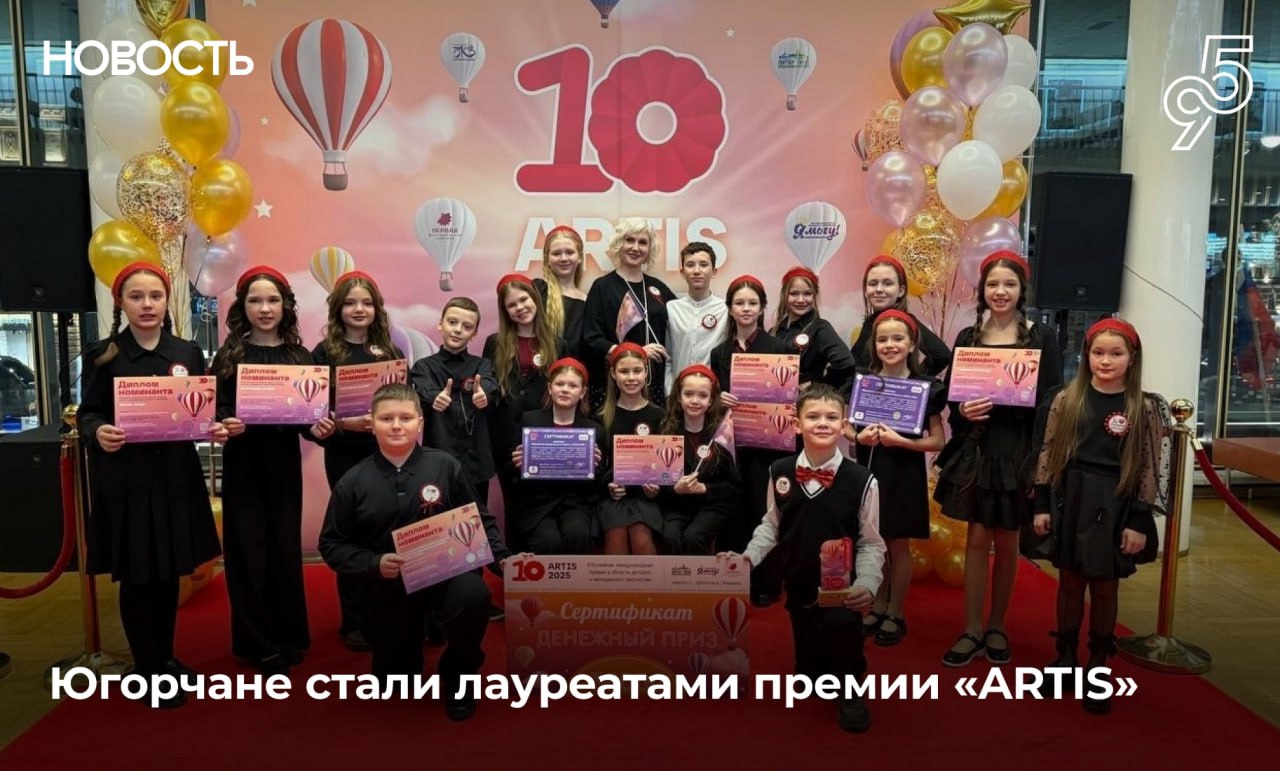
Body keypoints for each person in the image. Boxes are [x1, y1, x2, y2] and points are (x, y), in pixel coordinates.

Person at [77, 262, 227, 709]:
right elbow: (88, 413)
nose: (147, 304)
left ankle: (164, 657)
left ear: (167, 302)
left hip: (175, 478)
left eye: (155, 296)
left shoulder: (187, 352)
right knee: (139, 576)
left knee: (168, 574)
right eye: (137, 296)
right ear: (120, 303)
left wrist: (215, 426)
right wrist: (98, 431)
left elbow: (202, 411)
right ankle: (146, 670)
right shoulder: (104, 354)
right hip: (128, 482)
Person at [318, 383, 514, 721]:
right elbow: (331, 543)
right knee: (397, 680)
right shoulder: (353, 481)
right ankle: (402, 650)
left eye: (406, 418)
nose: (396, 426)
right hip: (388, 585)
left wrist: (502, 558)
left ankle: (458, 673)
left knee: (473, 594)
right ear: (372, 424)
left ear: (420, 423)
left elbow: (478, 516)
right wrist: (374, 563)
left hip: (446, 575)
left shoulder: (445, 466)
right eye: (387, 419)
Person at [725, 383, 885, 734]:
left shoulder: (863, 480)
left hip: (843, 587)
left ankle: (851, 690)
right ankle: (813, 666)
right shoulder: (779, 471)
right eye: (813, 416)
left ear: (844, 425)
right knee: (808, 663)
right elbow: (771, 525)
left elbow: (872, 543)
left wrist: (867, 582)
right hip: (797, 576)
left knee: (844, 636)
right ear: (797, 424)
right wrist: (748, 558)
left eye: (831, 417)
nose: (822, 423)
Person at [934, 251, 1062, 667]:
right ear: (982, 290)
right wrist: (962, 411)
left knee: (1008, 541)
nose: (1000, 291)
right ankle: (972, 627)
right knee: (976, 539)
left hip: (1017, 450)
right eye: (993, 284)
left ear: (1022, 290)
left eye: (1009, 284)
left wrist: (1039, 456)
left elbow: (1052, 400)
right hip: (979, 448)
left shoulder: (1041, 337)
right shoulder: (967, 337)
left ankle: (996, 625)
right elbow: (954, 398)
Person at [1033, 318, 1163, 714]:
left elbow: (1150, 467)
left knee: (1105, 586)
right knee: (1070, 582)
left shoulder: (1144, 407)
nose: (1106, 361)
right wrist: (1042, 503)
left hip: (1115, 501)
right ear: (1086, 355)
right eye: (1098, 353)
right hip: (1072, 497)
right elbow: (1048, 451)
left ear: (1132, 358)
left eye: (1116, 353)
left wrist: (1139, 519)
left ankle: (1098, 666)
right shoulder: (1066, 399)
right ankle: (1065, 658)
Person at [213, 266, 335, 676]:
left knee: (284, 550)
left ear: (285, 305)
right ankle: (258, 644)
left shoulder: (300, 357)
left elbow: (308, 419)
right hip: (243, 467)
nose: (264, 309)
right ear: (242, 307)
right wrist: (225, 423)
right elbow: (215, 412)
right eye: (255, 301)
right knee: (248, 552)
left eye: (272, 300)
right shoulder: (229, 355)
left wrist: (319, 428)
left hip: (284, 467)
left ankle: (289, 635)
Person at [311, 270, 404, 654]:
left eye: (366, 302)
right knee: (351, 534)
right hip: (344, 455)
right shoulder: (323, 353)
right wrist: (340, 423)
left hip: (385, 454)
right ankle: (353, 621)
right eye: (350, 303)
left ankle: (391, 614)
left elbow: (403, 402)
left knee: (388, 530)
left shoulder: (390, 352)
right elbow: (312, 413)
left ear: (377, 308)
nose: (359, 309)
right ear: (338, 308)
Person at [844, 310, 945, 647]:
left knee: (898, 545)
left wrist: (902, 441)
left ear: (912, 344)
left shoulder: (925, 388)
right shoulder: (863, 381)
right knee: (874, 542)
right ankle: (877, 605)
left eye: (898, 338)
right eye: (883, 339)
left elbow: (938, 440)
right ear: (874, 345)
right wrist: (858, 437)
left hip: (904, 475)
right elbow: (847, 427)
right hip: (869, 473)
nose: (890, 345)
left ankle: (895, 611)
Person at [411, 297, 505, 624]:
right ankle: (436, 606)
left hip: (476, 462)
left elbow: (491, 386)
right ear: (441, 324)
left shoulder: (482, 366)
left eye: (466, 326)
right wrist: (431, 398)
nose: (457, 330)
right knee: (438, 533)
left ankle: (474, 600)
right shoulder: (424, 367)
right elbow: (421, 389)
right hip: (436, 464)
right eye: (452, 322)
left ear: (474, 333)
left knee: (474, 531)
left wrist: (484, 395)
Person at [709, 275, 790, 604]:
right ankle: (733, 578)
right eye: (739, 303)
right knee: (733, 512)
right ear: (730, 308)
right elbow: (710, 400)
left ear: (762, 307)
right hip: (732, 445)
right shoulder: (719, 352)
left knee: (763, 510)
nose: (746, 308)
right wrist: (719, 399)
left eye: (752, 303)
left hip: (768, 446)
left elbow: (789, 399)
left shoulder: (778, 349)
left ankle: (766, 583)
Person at [483, 273, 562, 545]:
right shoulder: (495, 343)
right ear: (505, 311)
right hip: (506, 438)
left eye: (523, 300)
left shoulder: (557, 344)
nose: (520, 308)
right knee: (513, 506)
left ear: (535, 299)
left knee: (542, 506)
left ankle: (543, 562)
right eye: (511, 305)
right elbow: (489, 386)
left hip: (545, 437)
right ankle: (515, 564)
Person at [509, 358, 604, 554]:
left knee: (577, 534)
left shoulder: (594, 430)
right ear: (550, 388)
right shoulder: (529, 420)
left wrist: (595, 467)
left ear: (583, 392)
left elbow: (600, 483)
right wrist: (517, 464)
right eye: (560, 384)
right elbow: (511, 470)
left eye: (572, 385)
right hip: (537, 504)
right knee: (547, 540)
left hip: (575, 504)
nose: (565, 390)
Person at [583, 217, 678, 407]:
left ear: (649, 249)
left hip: (654, 386)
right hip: (613, 389)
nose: (636, 247)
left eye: (642, 242)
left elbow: (679, 328)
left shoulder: (659, 288)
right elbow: (592, 339)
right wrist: (637, 353)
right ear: (619, 243)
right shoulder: (602, 287)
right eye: (629, 240)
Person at [659, 365, 740, 554]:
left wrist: (705, 488)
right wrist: (675, 489)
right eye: (688, 394)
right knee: (670, 535)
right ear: (679, 397)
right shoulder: (666, 430)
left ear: (711, 400)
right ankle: (676, 574)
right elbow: (659, 480)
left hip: (712, 505)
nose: (695, 401)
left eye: (703, 396)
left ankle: (699, 575)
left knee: (693, 537)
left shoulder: (723, 433)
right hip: (677, 505)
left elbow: (734, 486)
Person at [596, 343, 666, 555]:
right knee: (615, 537)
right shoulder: (601, 418)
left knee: (641, 537)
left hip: (646, 498)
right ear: (613, 374)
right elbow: (597, 466)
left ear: (646, 372)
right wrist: (609, 484)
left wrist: (657, 488)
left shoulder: (660, 416)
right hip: (613, 497)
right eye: (624, 371)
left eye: (637, 371)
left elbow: (666, 466)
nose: (631, 378)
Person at [850, 255, 952, 377]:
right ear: (866, 290)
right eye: (873, 283)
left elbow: (941, 355)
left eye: (887, 283)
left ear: (901, 291)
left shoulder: (905, 322)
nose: (879, 289)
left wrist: (912, 382)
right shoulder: (870, 322)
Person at [771, 266, 856, 391]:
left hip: (805, 400)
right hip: (775, 398)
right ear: (784, 295)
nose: (801, 300)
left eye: (807, 293)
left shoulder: (820, 328)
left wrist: (817, 385)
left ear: (814, 295)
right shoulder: (774, 331)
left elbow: (847, 363)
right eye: (794, 293)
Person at [664, 242, 727, 394]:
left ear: (714, 272)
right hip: (679, 394)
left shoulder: (726, 309)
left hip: (713, 394)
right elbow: (667, 357)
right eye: (690, 265)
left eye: (703, 265)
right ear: (682, 272)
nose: (697, 271)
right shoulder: (671, 308)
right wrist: (670, 392)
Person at [533, 225, 588, 360]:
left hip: (574, 371)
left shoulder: (588, 301)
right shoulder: (537, 290)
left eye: (570, 252)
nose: (563, 258)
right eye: (556, 253)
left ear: (580, 257)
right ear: (547, 259)